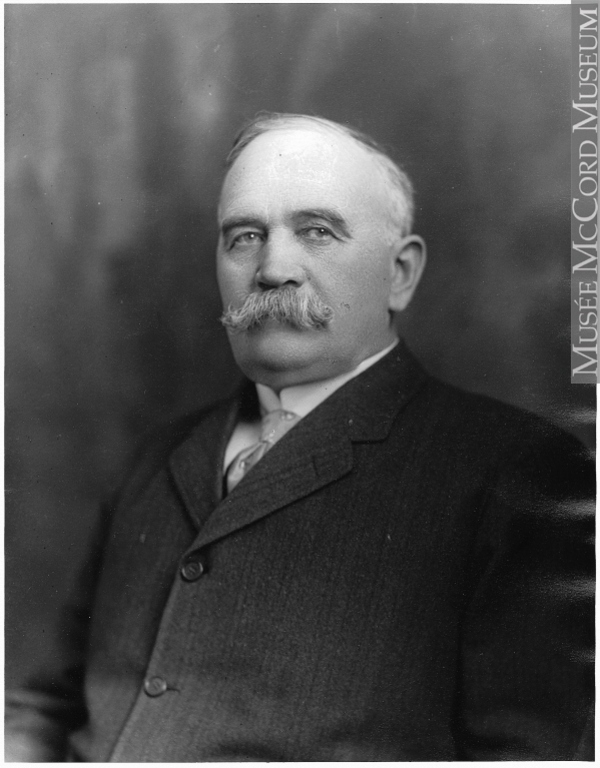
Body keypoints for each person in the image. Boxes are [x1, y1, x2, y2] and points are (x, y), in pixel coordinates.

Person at [5, 113, 594, 761]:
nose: (272, 268)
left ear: (400, 273)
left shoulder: (519, 472)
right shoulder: (158, 455)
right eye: (245, 236)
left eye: (317, 231)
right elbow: (47, 707)